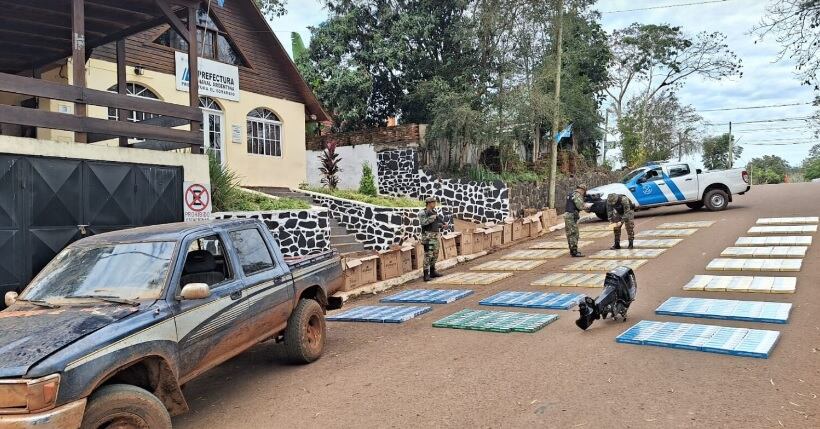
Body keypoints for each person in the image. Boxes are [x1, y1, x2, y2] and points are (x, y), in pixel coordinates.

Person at [418, 196, 444, 281]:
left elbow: (435, 224)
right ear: (429, 203)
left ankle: (432, 272)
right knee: (428, 255)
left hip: (435, 236)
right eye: (433, 202)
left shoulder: (433, 212)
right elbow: (423, 223)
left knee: (435, 255)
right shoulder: (423, 212)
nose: (435, 204)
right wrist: (432, 217)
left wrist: (442, 225)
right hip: (428, 237)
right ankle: (426, 275)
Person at [564, 183, 592, 257]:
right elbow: (579, 206)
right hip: (571, 216)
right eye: (584, 191)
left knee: (569, 234)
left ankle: (572, 250)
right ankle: (574, 251)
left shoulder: (570, 194)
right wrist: (586, 206)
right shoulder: (577, 195)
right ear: (582, 190)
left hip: (567, 215)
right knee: (574, 234)